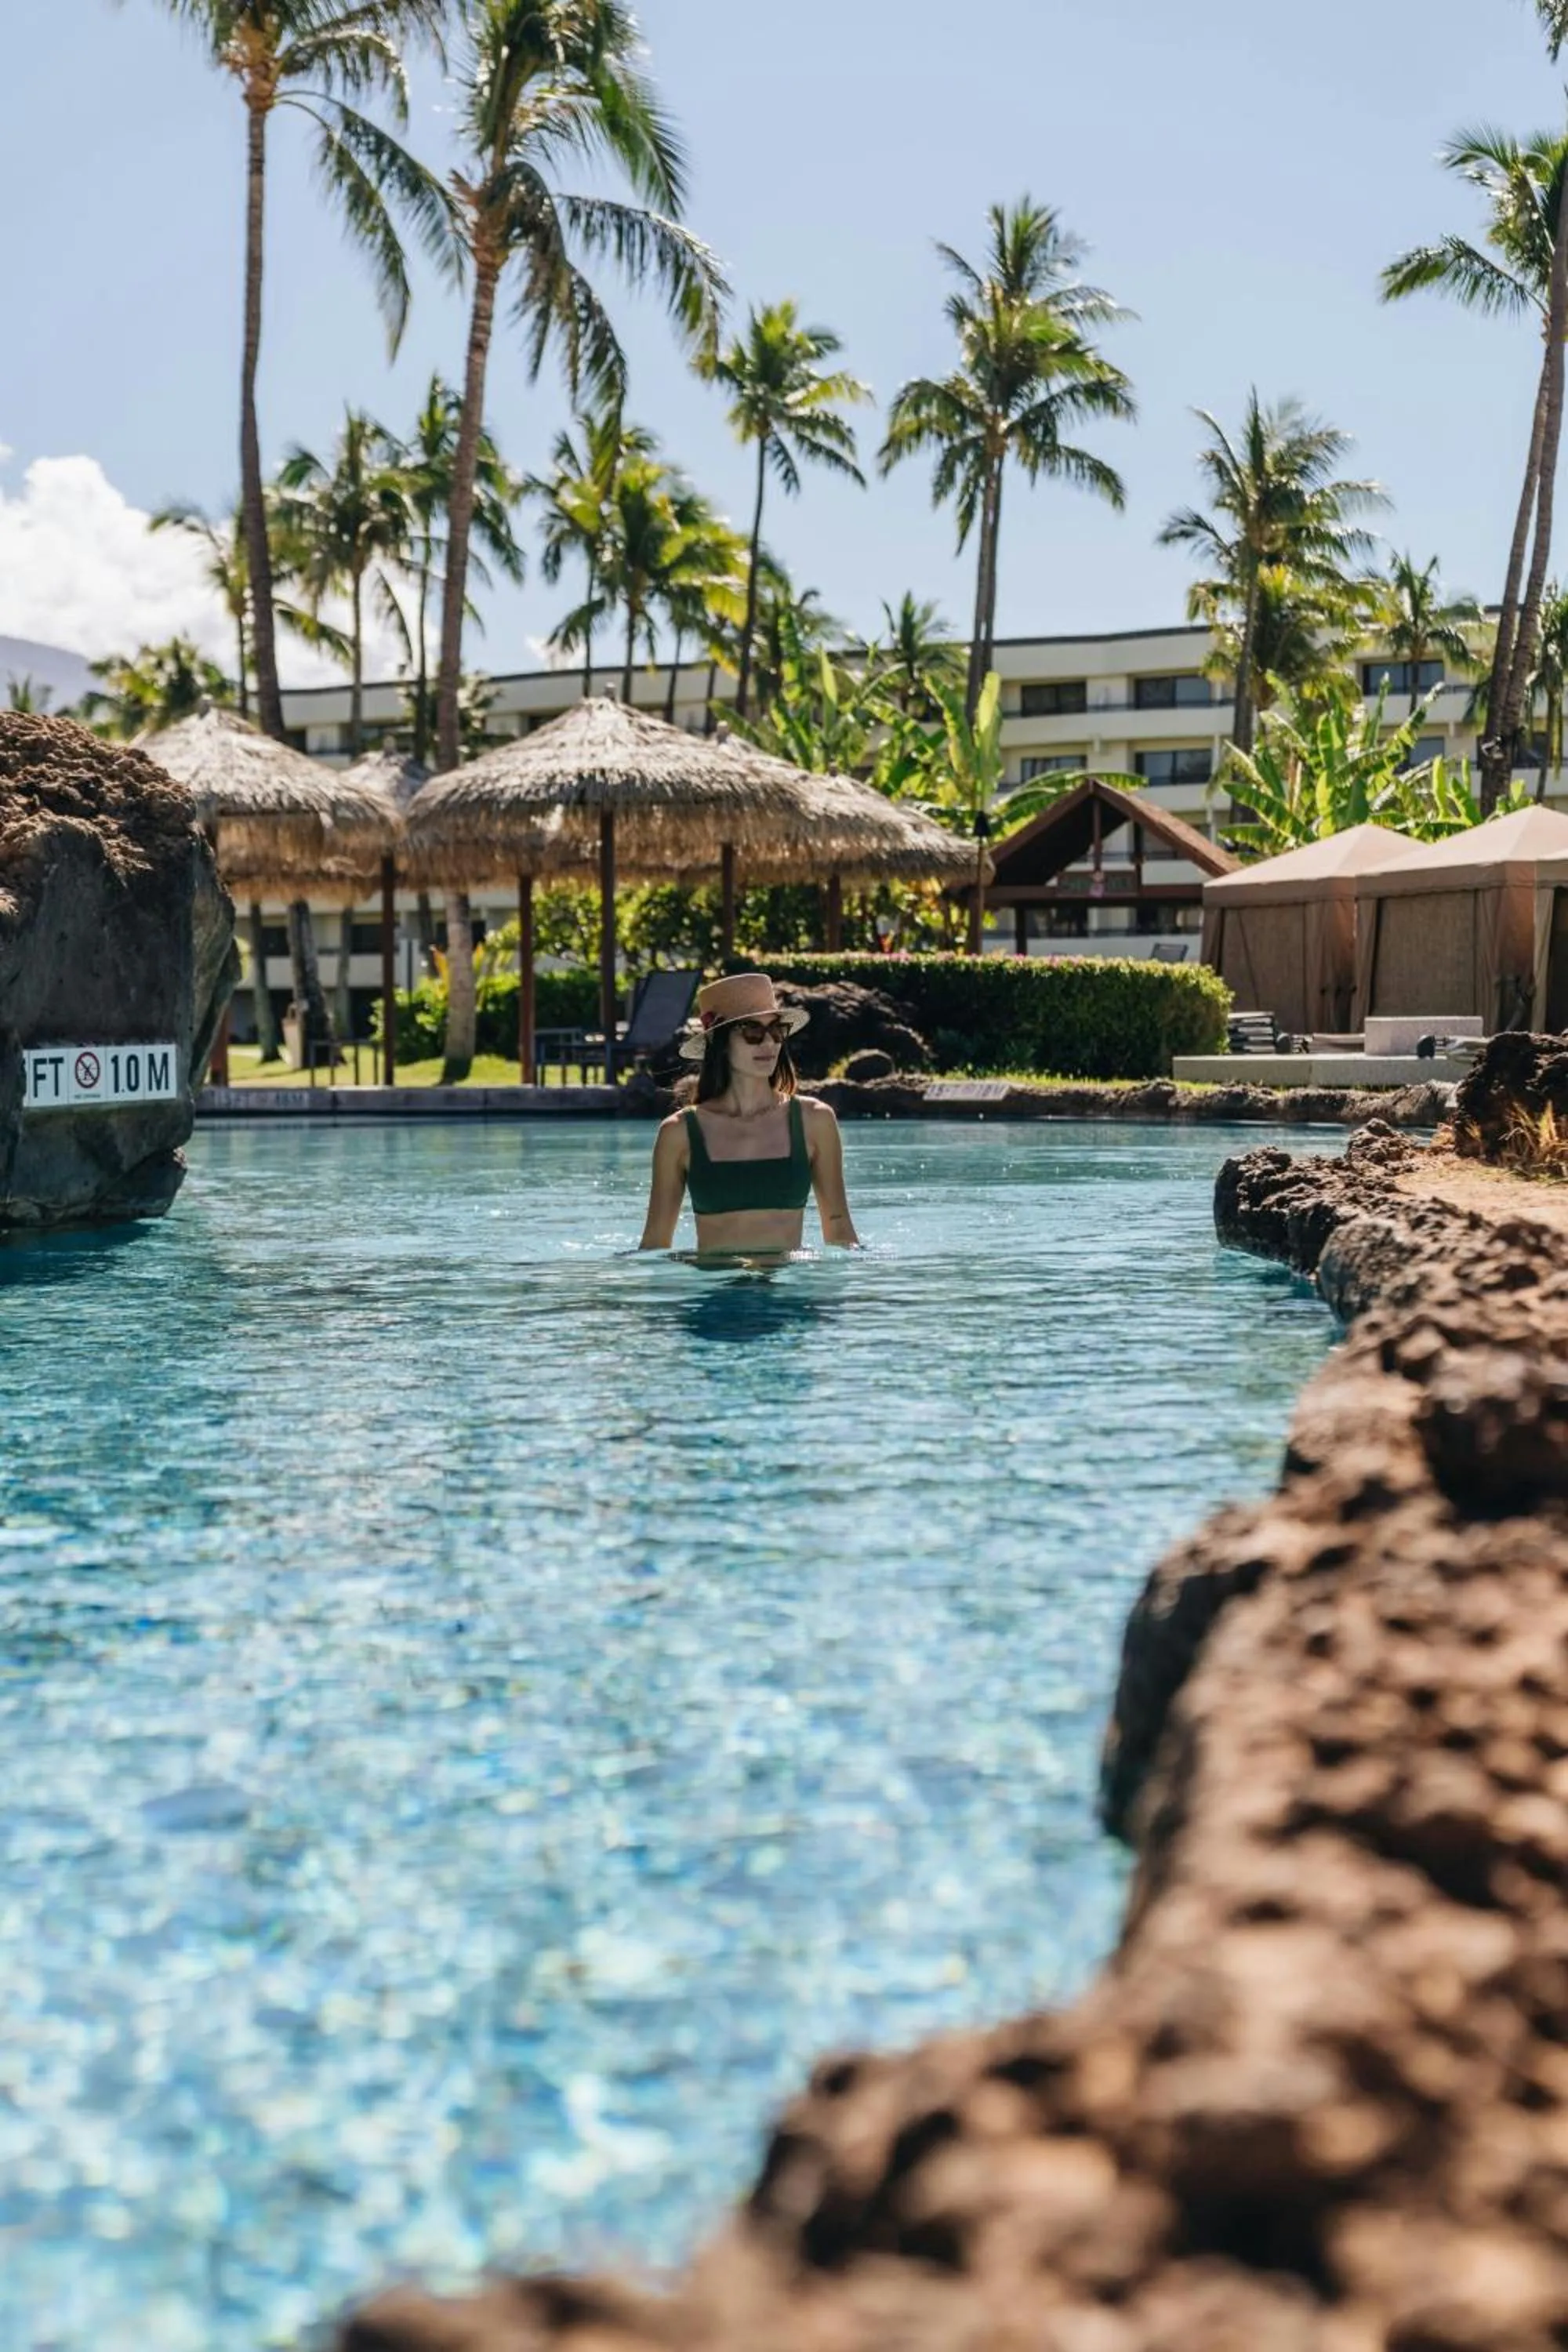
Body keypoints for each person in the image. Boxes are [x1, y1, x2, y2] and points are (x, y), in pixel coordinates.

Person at [637, 973, 860, 1254]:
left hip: (789, 1293)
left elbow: (839, 1228)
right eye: (752, 1031)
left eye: (777, 1030)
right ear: (719, 1041)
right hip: (713, 1294)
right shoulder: (678, 1133)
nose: (769, 1043)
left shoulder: (815, 1120)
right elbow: (655, 1244)